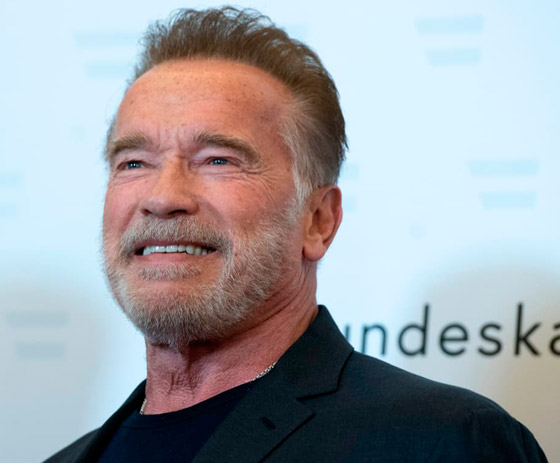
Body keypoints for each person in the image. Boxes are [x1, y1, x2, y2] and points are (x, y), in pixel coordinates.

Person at [45, 6, 548, 462]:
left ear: (318, 220)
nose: (162, 196)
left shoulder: (441, 440)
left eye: (218, 160)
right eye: (133, 162)